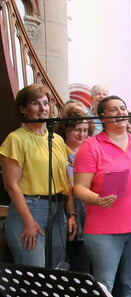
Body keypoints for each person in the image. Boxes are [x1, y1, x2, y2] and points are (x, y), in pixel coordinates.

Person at [73, 95, 131, 296]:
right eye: (114, 109)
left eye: (123, 108)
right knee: (105, 285)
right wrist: (97, 199)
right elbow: (79, 188)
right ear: (102, 117)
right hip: (105, 230)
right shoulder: (91, 146)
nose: (120, 112)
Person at [1, 84, 76, 267]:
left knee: (57, 271)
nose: (43, 108)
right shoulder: (16, 138)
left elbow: (65, 180)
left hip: (58, 210)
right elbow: (11, 185)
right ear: (23, 109)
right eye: (36, 103)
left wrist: (71, 213)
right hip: (30, 208)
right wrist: (28, 221)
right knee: (35, 271)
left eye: (45, 103)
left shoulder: (56, 139)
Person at [56, 103, 95, 273]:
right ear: (66, 129)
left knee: (84, 262)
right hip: (64, 208)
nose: (81, 134)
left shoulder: (90, 151)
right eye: (77, 130)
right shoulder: (58, 150)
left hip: (87, 208)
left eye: (85, 130)